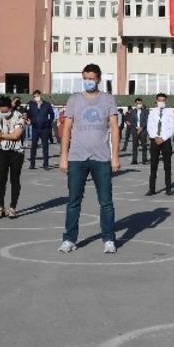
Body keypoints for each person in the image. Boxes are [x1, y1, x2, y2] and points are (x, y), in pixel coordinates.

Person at [59, 64, 121, 254]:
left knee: (106, 202)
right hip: (77, 157)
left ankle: (109, 238)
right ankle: (69, 239)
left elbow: (114, 128)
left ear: (99, 79)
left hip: (101, 158)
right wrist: (64, 156)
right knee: (73, 201)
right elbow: (67, 128)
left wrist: (115, 156)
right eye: (85, 78)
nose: (88, 82)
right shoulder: (74, 100)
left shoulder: (107, 99)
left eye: (92, 78)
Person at [0, 96, 26, 219]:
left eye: (6, 111)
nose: (4, 113)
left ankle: (13, 207)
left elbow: (16, 135)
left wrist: (1, 135)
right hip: (1, 151)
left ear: (10, 108)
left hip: (16, 152)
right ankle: (0, 206)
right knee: (1, 178)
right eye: (2, 111)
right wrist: (3, 135)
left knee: (14, 179)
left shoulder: (19, 117)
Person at [146, 93, 174, 196]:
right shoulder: (152, 112)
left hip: (165, 141)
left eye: (163, 100)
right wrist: (155, 137)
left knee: (167, 166)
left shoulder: (170, 112)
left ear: (166, 101)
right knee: (153, 165)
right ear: (156, 100)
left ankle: (168, 188)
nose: (161, 102)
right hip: (154, 140)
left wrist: (163, 138)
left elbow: (172, 127)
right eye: (159, 100)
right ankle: (152, 189)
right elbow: (149, 126)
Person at [26, 91, 56, 170]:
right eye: (34, 96)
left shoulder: (47, 104)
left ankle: (45, 165)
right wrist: (29, 120)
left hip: (44, 129)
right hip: (35, 128)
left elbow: (52, 114)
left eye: (37, 96)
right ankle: (32, 164)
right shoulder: (32, 105)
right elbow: (28, 114)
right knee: (33, 147)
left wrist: (48, 121)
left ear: (40, 95)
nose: (36, 97)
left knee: (45, 147)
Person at [128, 98, 149, 165]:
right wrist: (136, 127)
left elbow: (146, 121)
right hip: (135, 130)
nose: (139, 104)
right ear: (135, 104)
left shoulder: (145, 111)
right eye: (138, 103)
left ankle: (144, 159)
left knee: (144, 146)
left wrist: (141, 128)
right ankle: (134, 160)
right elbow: (131, 121)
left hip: (143, 130)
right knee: (134, 146)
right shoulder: (132, 111)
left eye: (140, 103)